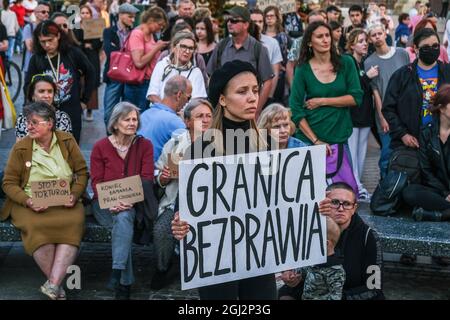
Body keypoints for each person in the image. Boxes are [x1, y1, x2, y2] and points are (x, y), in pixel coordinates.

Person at [171, 60, 276, 300]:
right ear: (222, 99)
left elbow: (281, 196)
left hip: (258, 251)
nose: (252, 98)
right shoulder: (202, 148)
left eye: (255, 90)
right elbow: (184, 205)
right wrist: (178, 223)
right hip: (216, 253)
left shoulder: (268, 144)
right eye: (242, 91)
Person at [1, 101, 88, 300]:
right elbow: (9, 183)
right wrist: (28, 201)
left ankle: (53, 285)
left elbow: (82, 172)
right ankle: (57, 285)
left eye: (34, 122)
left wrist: (74, 194)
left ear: (49, 124)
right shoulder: (21, 147)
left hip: (65, 200)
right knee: (36, 226)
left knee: (73, 222)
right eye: (27, 122)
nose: (28, 127)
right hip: (30, 202)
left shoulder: (67, 141)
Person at [90, 102, 154, 300]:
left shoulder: (144, 145)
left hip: (132, 203)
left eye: (135, 119)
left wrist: (129, 201)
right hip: (103, 203)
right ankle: (122, 280)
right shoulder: (100, 147)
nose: (132, 123)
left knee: (124, 218)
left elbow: (146, 178)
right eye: (127, 119)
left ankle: (119, 277)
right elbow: (96, 182)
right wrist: (111, 202)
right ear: (115, 123)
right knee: (122, 222)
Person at [278, 182, 385, 300]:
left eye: (347, 204)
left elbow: (374, 286)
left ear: (354, 208)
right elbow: (296, 267)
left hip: (349, 296)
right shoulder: (310, 228)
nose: (340, 208)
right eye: (334, 202)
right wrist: (293, 277)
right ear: (324, 203)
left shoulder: (368, 236)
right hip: (312, 292)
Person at [151, 98, 213, 290]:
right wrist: (163, 177)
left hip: (210, 204)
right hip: (176, 201)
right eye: (199, 116)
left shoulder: (222, 145)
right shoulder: (174, 144)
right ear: (187, 121)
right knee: (162, 230)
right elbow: (157, 173)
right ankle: (165, 267)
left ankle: (208, 269)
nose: (205, 120)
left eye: (208, 116)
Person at [289, 21, 363, 151]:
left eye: (327, 35)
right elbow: (295, 108)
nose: (325, 40)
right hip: (310, 139)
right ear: (309, 42)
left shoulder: (346, 62)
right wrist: (316, 141)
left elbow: (356, 98)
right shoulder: (302, 68)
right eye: (319, 36)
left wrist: (322, 101)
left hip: (339, 136)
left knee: (345, 172)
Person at [24, 20, 95, 144]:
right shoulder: (37, 59)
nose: (46, 45)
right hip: (44, 113)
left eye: (50, 40)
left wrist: (85, 100)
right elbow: (27, 86)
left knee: (70, 150)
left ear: (58, 36)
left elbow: (91, 73)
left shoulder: (72, 53)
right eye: (43, 41)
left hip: (71, 111)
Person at [383, 28, 450, 156]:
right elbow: (388, 108)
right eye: (426, 47)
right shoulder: (402, 75)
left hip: (444, 143)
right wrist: (402, 134)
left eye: (435, 46)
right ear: (416, 49)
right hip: (412, 144)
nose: (432, 50)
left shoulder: (447, 72)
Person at [206, 6, 274, 116]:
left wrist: (257, 109)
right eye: (228, 20)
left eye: (234, 20)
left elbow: (267, 81)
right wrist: (216, 102)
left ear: (246, 24)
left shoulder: (258, 48)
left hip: (248, 110)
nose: (229, 23)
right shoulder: (221, 46)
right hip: (224, 110)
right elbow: (210, 75)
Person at [364, 24, 410, 180]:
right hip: (385, 115)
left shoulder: (402, 54)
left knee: (407, 152)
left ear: (385, 34)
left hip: (405, 112)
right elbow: (375, 92)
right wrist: (382, 117)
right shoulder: (369, 62)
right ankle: (386, 187)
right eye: (373, 34)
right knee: (386, 155)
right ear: (370, 39)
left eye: (379, 33)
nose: (377, 36)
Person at [401, 84, 450, 223]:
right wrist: (445, 193)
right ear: (441, 107)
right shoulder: (427, 132)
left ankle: (442, 215)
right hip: (439, 190)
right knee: (409, 192)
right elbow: (426, 170)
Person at [346, 29, 378, 202]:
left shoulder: (363, 62)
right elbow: (352, 88)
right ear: (352, 45)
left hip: (365, 114)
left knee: (361, 153)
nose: (365, 43)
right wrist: (368, 76)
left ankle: (358, 186)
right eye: (360, 41)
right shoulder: (348, 61)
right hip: (353, 115)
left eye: (366, 40)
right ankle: (355, 186)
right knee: (352, 152)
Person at [123, 6, 169, 113]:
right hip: (138, 84)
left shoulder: (151, 34)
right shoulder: (137, 34)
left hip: (147, 81)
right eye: (159, 25)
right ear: (151, 20)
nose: (160, 28)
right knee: (136, 117)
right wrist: (157, 47)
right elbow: (138, 62)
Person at [102, 3, 139, 129]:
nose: (133, 20)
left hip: (130, 76)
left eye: (134, 17)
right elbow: (109, 51)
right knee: (109, 113)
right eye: (130, 16)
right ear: (121, 15)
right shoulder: (109, 31)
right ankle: (111, 139)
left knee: (129, 112)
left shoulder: (135, 32)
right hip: (114, 76)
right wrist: (129, 54)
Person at [140, 75, 190, 164]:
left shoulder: (144, 114)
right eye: (188, 98)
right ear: (179, 95)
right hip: (154, 174)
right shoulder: (175, 122)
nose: (187, 102)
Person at [147, 31, 206, 104]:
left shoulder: (196, 72)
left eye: (191, 48)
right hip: (160, 110)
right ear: (174, 47)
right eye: (183, 46)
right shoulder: (162, 65)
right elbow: (152, 95)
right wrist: (167, 110)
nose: (187, 51)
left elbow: (197, 100)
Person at [296, 217, 345, 300]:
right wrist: (295, 273)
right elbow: (305, 270)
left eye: (312, 240)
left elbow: (336, 296)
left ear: (326, 244)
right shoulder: (315, 260)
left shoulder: (336, 270)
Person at [16, 74, 72, 140]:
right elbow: (20, 148)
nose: (46, 95)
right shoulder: (23, 118)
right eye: (41, 91)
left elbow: (67, 146)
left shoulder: (62, 118)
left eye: (50, 91)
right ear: (32, 95)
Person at [21, 1, 50, 82]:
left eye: (48, 12)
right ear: (36, 13)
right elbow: (30, 48)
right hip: (30, 66)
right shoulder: (29, 27)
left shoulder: (49, 28)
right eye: (43, 12)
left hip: (46, 66)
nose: (46, 14)